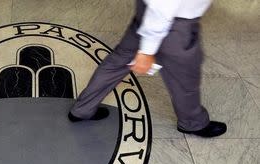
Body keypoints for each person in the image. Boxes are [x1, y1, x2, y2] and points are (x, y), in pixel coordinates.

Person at [68, 0, 227, 138]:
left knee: (116, 63)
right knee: (185, 79)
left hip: (148, 11)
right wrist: (147, 50)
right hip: (172, 21)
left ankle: (82, 109)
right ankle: (192, 123)